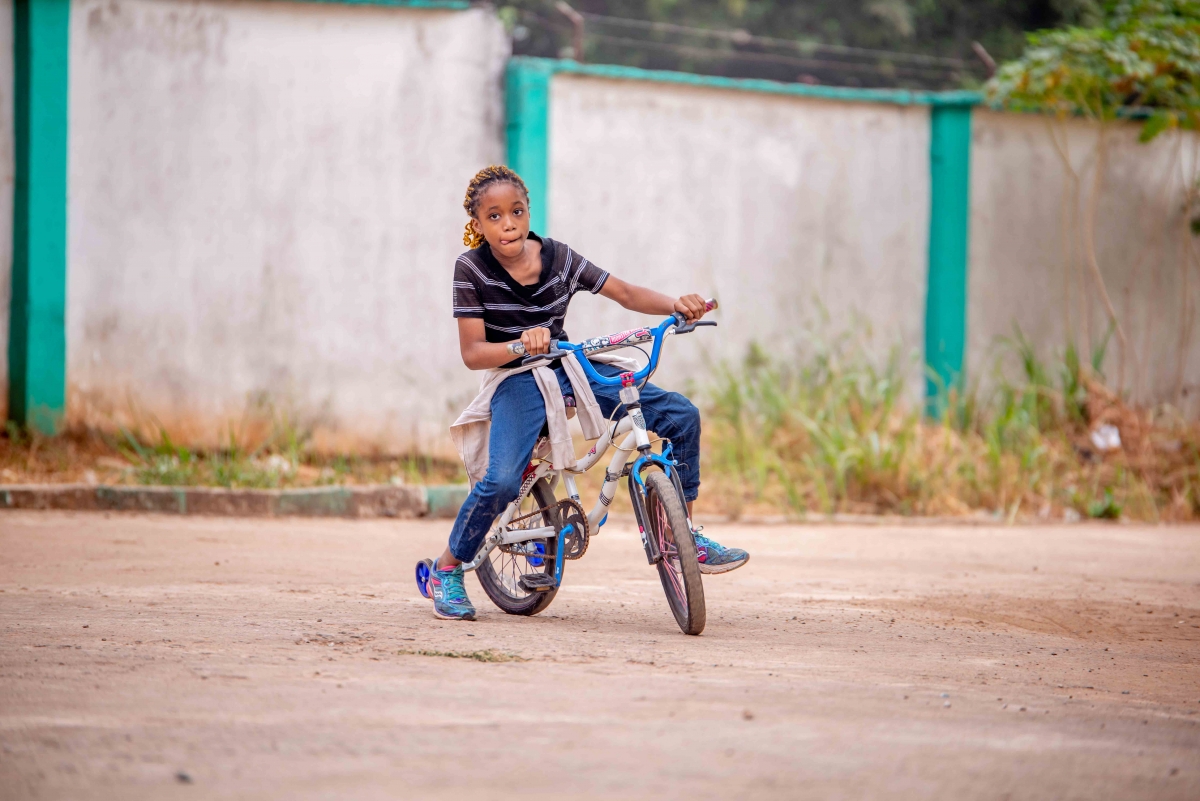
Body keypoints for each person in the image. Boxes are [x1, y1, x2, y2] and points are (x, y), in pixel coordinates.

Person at [426, 165, 749, 621]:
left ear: (528, 211)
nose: (509, 224)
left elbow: (624, 292)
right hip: (515, 377)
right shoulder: (470, 269)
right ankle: (447, 568)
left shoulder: (558, 258)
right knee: (499, 481)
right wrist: (520, 344)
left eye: (516, 211)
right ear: (477, 225)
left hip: (569, 366)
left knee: (680, 415)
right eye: (494, 217)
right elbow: (474, 353)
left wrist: (676, 305)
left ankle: (684, 536)